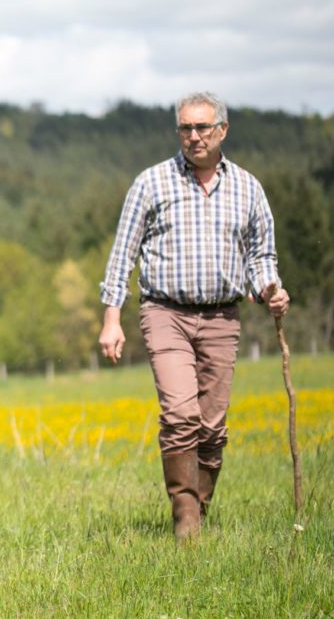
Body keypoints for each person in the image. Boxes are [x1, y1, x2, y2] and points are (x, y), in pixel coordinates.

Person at [98, 91, 290, 541]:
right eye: (185, 128)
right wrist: (111, 317)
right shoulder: (152, 183)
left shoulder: (248, 188)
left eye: (202, 127)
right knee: (180, 415)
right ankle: (185, 520)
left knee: (212, 426)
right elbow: (121, 255)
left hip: (223, 317)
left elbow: (261, 256)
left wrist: (271, 288)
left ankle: (199, 507)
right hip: (165, 312)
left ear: (222, 130)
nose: (193, 136)